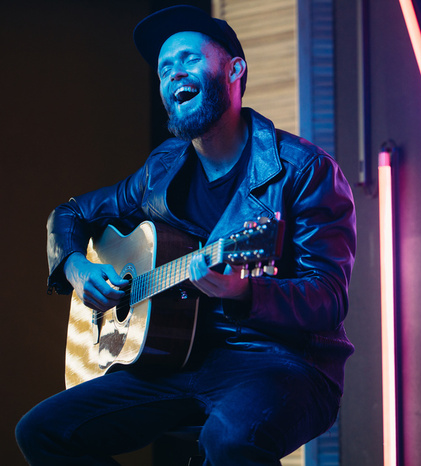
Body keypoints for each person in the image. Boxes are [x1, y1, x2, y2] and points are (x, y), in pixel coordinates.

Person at [15, 5, 355, 465]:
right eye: (164, 69)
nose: (174, 74)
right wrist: (77, 269)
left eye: (189, 60)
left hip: (279, 361)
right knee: (43, 431)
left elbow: (329, 297)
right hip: (178, 360)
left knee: (230, 441)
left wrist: (244, 291)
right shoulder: (163, 168)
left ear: (234, 70)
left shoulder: (304, 170)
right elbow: (71, 213)